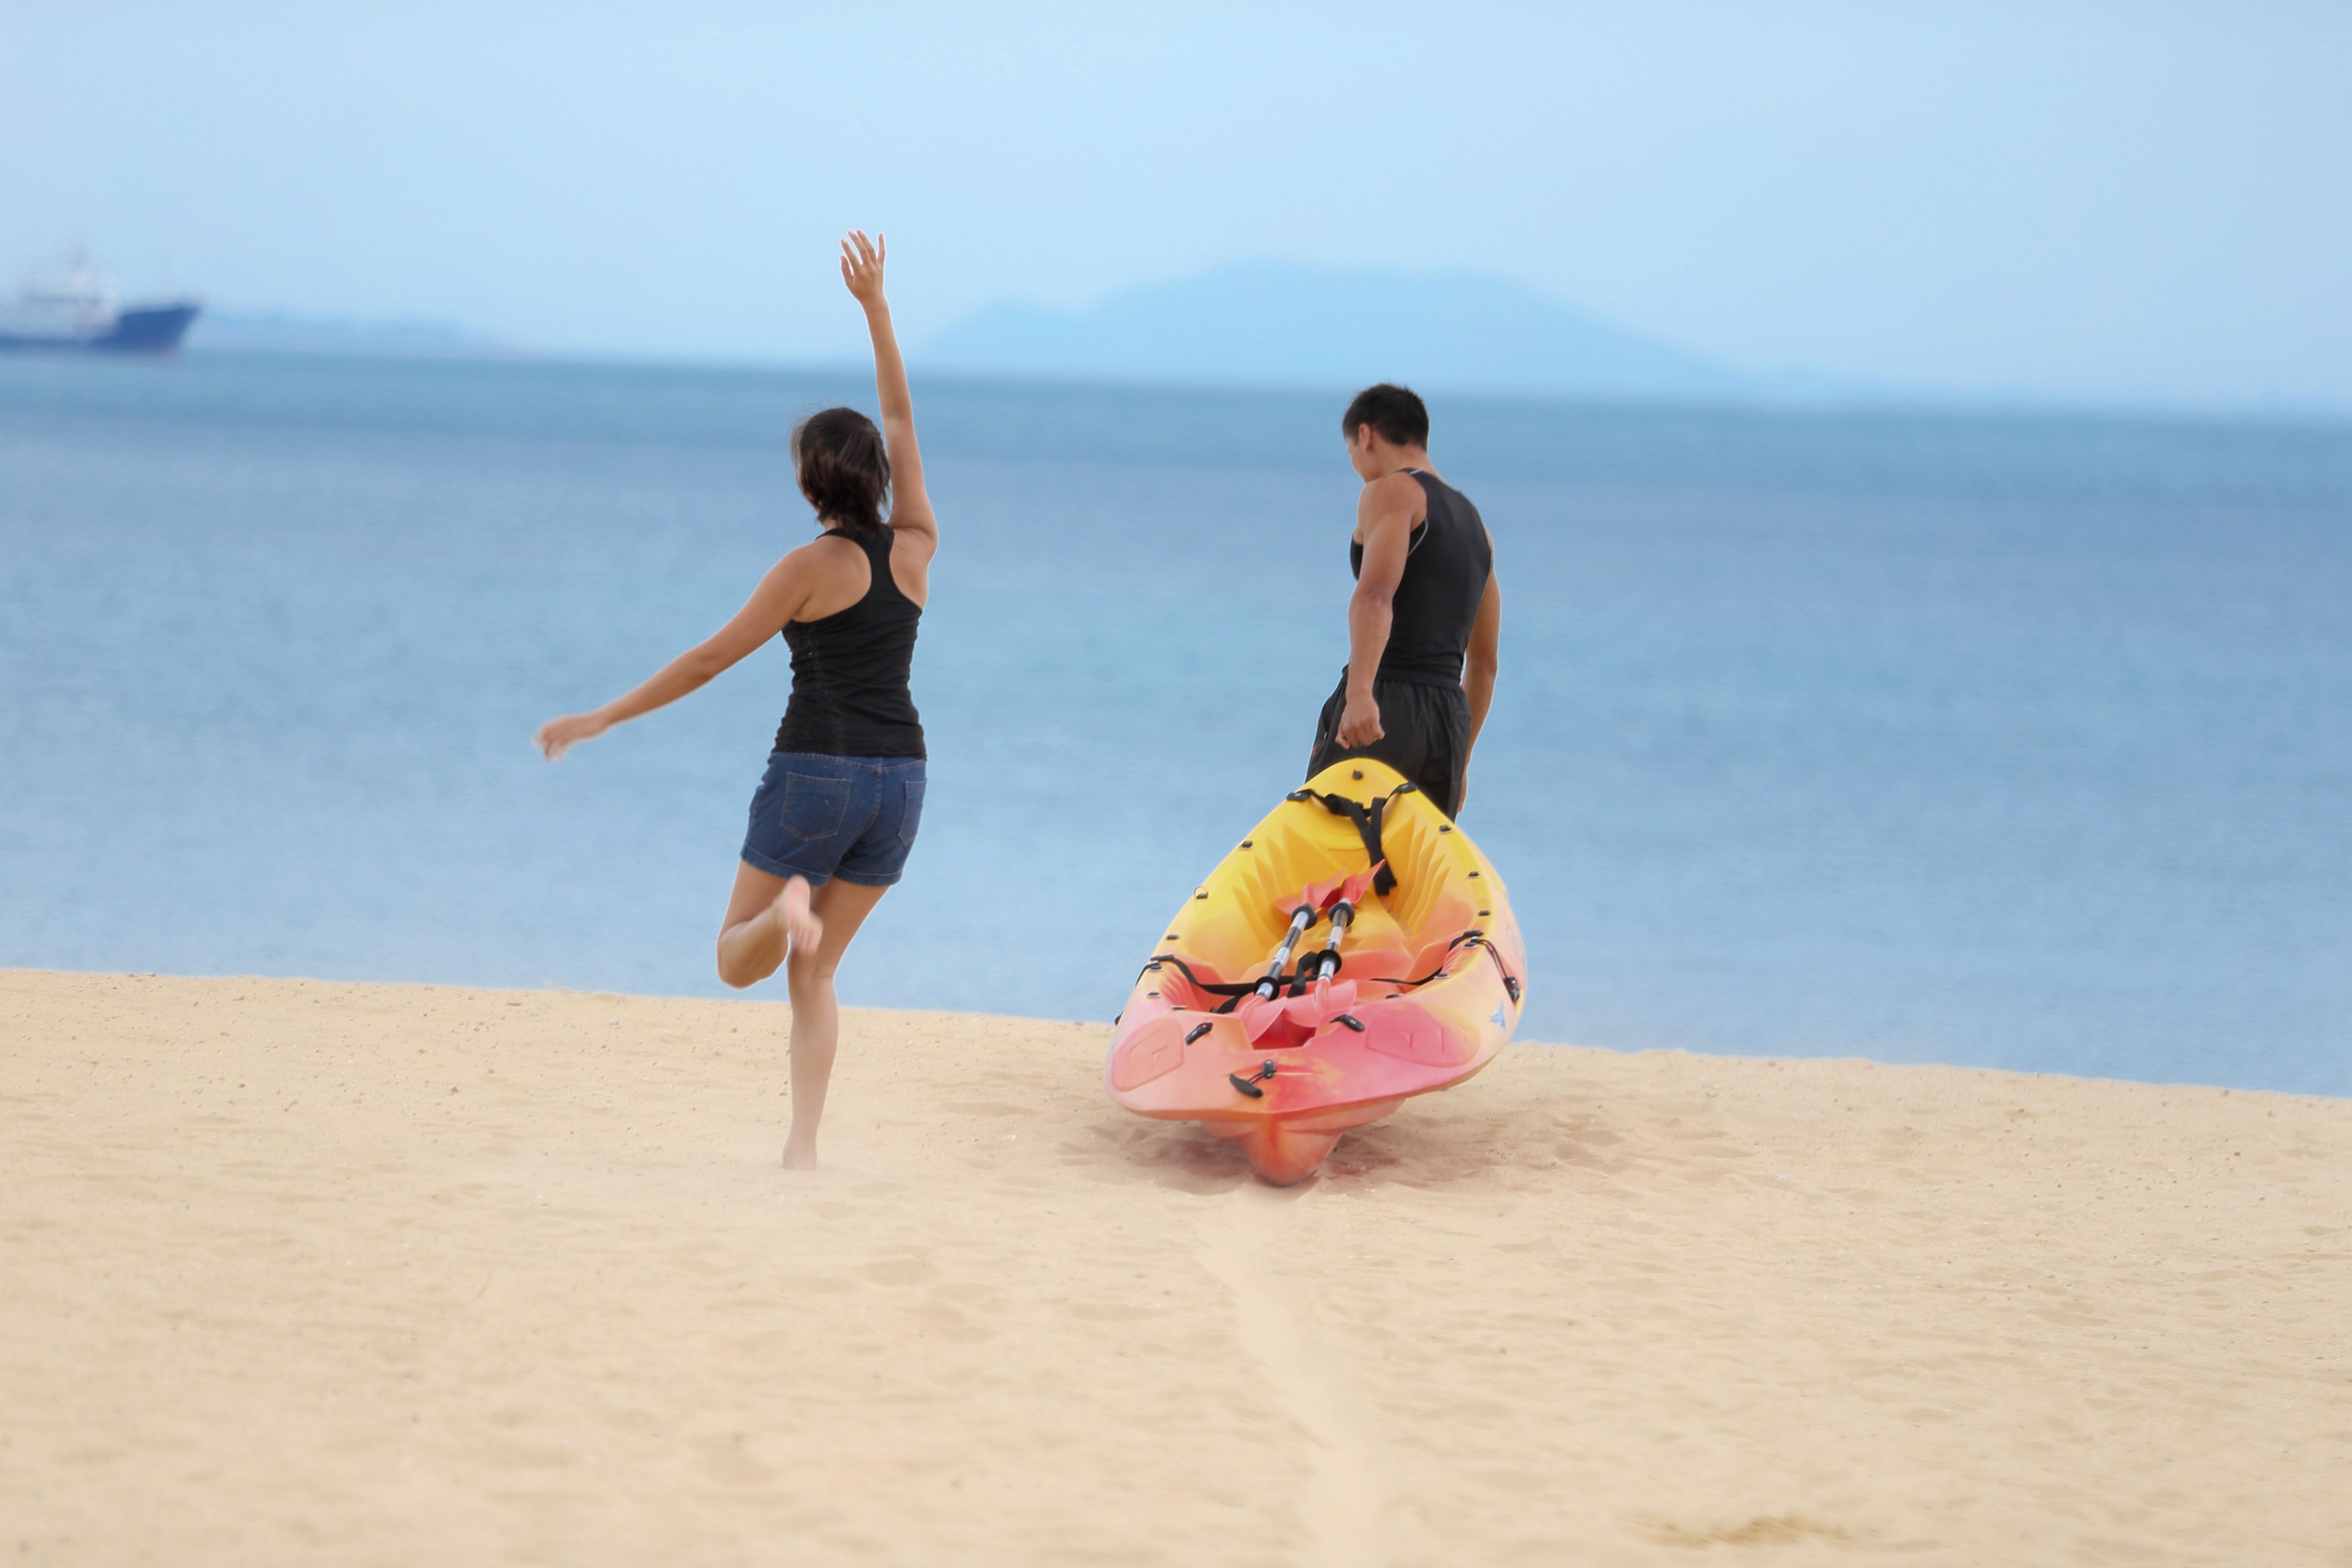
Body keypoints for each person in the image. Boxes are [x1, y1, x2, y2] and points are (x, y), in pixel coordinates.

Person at [533, 230, 934, 1170]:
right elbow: (905, 419)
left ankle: (784, 907)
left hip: (816, 774)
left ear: (808, 483)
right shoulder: (916, 546)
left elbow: (711, 660)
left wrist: (600, 717)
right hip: (903, 781)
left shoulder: (805, 567)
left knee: (733, 958)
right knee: (820, 974)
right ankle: (802, 1151)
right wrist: (877, 308)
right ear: (877, 477)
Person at [1306, 383, 1501, 818]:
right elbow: (1484, 661)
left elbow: (1375, 595)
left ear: (1366, 436)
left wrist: (1360, 695)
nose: (1356, 465)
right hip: (1448, 721)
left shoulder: (1392, 492)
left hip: (1386, 700)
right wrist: (1460, 757)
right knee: (1411, 878)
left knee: (1330, 856)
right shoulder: (1478, 527)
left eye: (1351, 451)